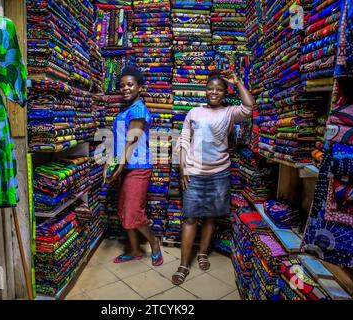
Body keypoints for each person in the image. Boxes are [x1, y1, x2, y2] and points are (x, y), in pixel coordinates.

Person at [171, 69, 255, 285]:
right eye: (210, 89)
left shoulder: (229, 112)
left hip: (219, 173)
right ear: (205, 91)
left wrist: (237, 82)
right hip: (194, 172)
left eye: (219, 89)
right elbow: (183, 140)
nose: (214, 92)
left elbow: (248, 107)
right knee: (190, 217)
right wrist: (182, 167)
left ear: (224, 93)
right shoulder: (194, 112)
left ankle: (203, 253)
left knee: (210, 217)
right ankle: (183, 263)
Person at [104, 65, 163, 266]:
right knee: (123, 210)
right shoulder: (127, 109)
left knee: (132, 212)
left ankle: (154, 244)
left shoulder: (138, 107)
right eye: (122, 85)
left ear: (139, 87)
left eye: (130, 84)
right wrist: (110, 164)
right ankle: (135, 250)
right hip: (125, 165)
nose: (126, 88)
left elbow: (131, 139)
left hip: (137, 166)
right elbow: (118, 140)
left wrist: (119, 166)